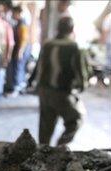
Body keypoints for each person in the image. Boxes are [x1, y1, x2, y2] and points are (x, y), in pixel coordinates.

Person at [37, 17, 89, 146]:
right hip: (62, 92)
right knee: (76, 119)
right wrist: (82, 86)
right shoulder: (74, 47)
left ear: (57, 29)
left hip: (44, 91)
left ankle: (43, 154)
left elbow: (39, 67)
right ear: (71, 29)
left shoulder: (47, 44)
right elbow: (80, 73)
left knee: (45, 128)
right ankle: (59, 147)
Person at [9, 5, 31, 97]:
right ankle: (18, 87)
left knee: (18, 68)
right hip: (20, 49)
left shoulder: (22, 24)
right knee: (19, 68)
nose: (12, 15)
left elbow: (24, 39)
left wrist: (20, 51)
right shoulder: (19, 23)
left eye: (13, 13)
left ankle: (16, 88)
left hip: (21, 49)